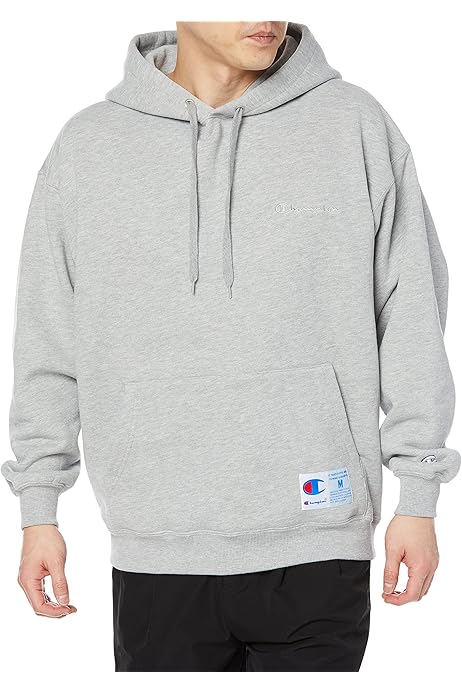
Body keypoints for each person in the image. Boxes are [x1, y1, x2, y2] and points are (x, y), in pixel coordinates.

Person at [2, 20, 460, 672]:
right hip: (157, 541)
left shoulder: (353, 125)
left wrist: (418, 494)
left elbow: (410, 313)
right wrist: (38, 510)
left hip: (319, 533)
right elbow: (48, 338)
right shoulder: (88, 147)